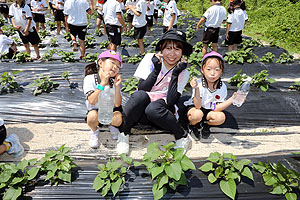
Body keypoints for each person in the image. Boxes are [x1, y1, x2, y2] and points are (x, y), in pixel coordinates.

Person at [117, 30, 193, 155]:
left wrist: (175, 74)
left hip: (160, 113)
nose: (172, 54)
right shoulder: (150, 59)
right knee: (139, 96)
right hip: (140, 111)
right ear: (161, 49)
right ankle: (124, 133)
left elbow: (171, 100)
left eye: (177, 49)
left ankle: (182, 136)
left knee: (153, 108)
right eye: (168, 48)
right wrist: (156, 70)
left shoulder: (184, 72)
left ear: (182, 52)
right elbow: (142, 87)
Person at [183, 51, 237, 139]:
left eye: (217, 69)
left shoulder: (222, 87)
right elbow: (197, 106)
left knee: (220, 117)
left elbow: (216, 108)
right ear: (202, 70)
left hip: (210, 110)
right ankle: (193, 125)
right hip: (197, 108)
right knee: (196, 115)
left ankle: (205, 124)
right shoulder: (199, 84)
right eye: (209, 69)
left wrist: (232, 99)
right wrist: (196, 89)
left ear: (221, 71)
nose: (212, 73)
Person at [83, 50, 123, 148]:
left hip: (109, 112)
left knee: (118, 118)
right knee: (92, 117)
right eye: (112, 62)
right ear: (101, 63)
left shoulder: (114, 82)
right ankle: (94, 130)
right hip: (95, 112)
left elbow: (117, 104)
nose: (115, 67)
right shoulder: (89, 79)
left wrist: (117, 87)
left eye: (118, 66)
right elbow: (92, 101)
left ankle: (111, 125)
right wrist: (102, 84)